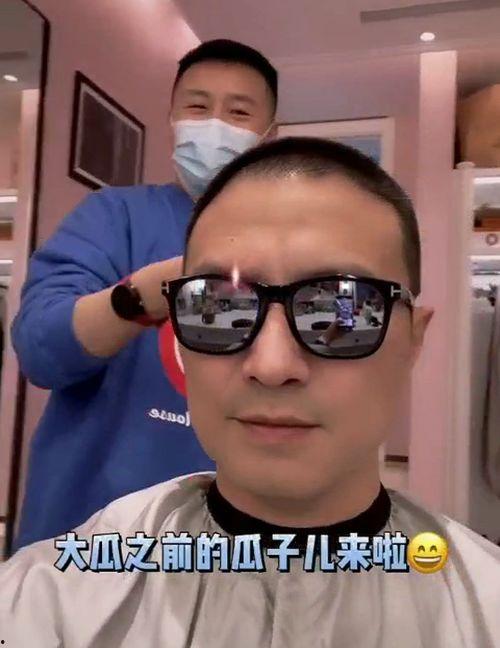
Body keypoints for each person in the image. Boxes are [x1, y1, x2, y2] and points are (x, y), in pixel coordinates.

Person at [2, 137, 500, 647]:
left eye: (341, 309)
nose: (272, 365)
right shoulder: (47, 602)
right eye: (218, 307)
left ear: (413, 339)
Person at [10, 39, 278, 550]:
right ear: (173, 118)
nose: (214, 126)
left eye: (238, 112)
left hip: (236, 543)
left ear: (270, 135)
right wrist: (139, 298)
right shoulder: (113, 215)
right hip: (87, 537)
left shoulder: (297, 243)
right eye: (197, 107)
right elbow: (40, 350)